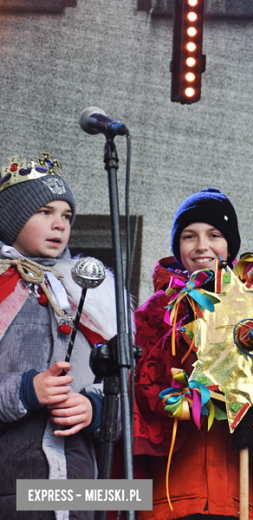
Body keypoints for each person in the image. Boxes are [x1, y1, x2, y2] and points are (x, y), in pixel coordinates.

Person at [133, 187, 253, 520]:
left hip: (241, 493)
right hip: (173, 495)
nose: (202, 246)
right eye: (189, 236)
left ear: (230, 245)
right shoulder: (157, 310)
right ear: (178, 246)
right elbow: (143, 394)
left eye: (214, 234)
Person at [0, 153, 118, 519]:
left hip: (81, 487)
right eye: (45, 212)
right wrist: (24, 391)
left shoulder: (91, 295)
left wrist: (95, 409)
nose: (59, 224)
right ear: (11, 217)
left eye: (66, 216)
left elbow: (123, 394)